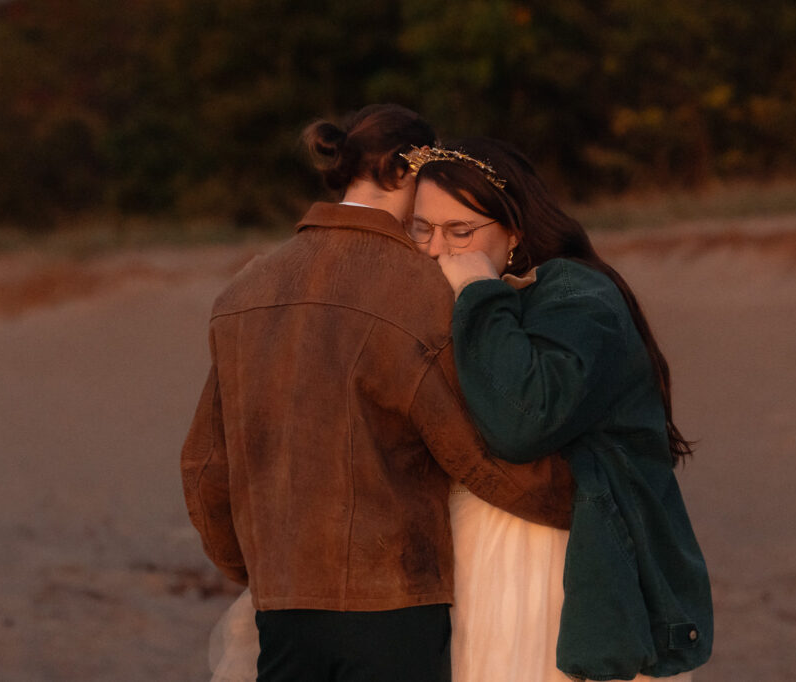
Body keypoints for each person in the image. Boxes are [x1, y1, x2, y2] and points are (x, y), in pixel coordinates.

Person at [180, 106, 574, 682]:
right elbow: (474, 453)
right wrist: (581, 501)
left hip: (283, 602)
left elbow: (205, 467)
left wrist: (259, 570)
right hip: (394, 603)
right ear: (400, 171)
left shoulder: (245, 288)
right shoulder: (420, 286)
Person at [404, 138, 713, 681]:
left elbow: (524, 422)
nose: (436, 249)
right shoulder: (451, 294)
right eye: (422, 228)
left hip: (550, 558)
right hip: (477, 551)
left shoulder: (576, 294)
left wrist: (478, 290)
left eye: (460, 231)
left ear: (515, 231)